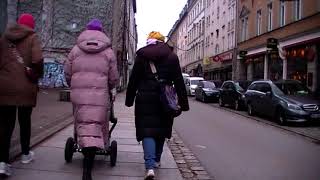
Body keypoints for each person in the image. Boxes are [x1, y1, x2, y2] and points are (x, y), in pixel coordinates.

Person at [125, 31, 189, 180]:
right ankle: (157, 160)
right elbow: (179, 82)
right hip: (165, 100)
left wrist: (129, 100)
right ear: (162, 41)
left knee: (147, 131)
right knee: (160, 130)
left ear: (149, 41)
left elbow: (133, 80)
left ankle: (150, 166)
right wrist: (183, 104)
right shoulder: (172, 57)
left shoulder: (142, 56)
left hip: (144, 99)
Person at [64, 19, 119, 180]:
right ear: (101, 32)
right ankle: (88, 167)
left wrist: (74, 84)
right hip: (100, 96)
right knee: (96, 125)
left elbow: (67, 72)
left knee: (82, 123)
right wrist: (110, 87)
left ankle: (83, 151)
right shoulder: (108, 52)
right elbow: (113, 78)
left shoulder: (75, 50)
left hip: (79, 96)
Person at [0, 13, 43, 177]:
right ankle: (25, 154)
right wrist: (37, 74)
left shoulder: (4, 37)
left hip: (4, 88)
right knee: (25, 121)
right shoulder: (32, 37)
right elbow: (38, 60)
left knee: (5, 126)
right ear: (31, 25)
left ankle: (3, 163)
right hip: (25, 87)